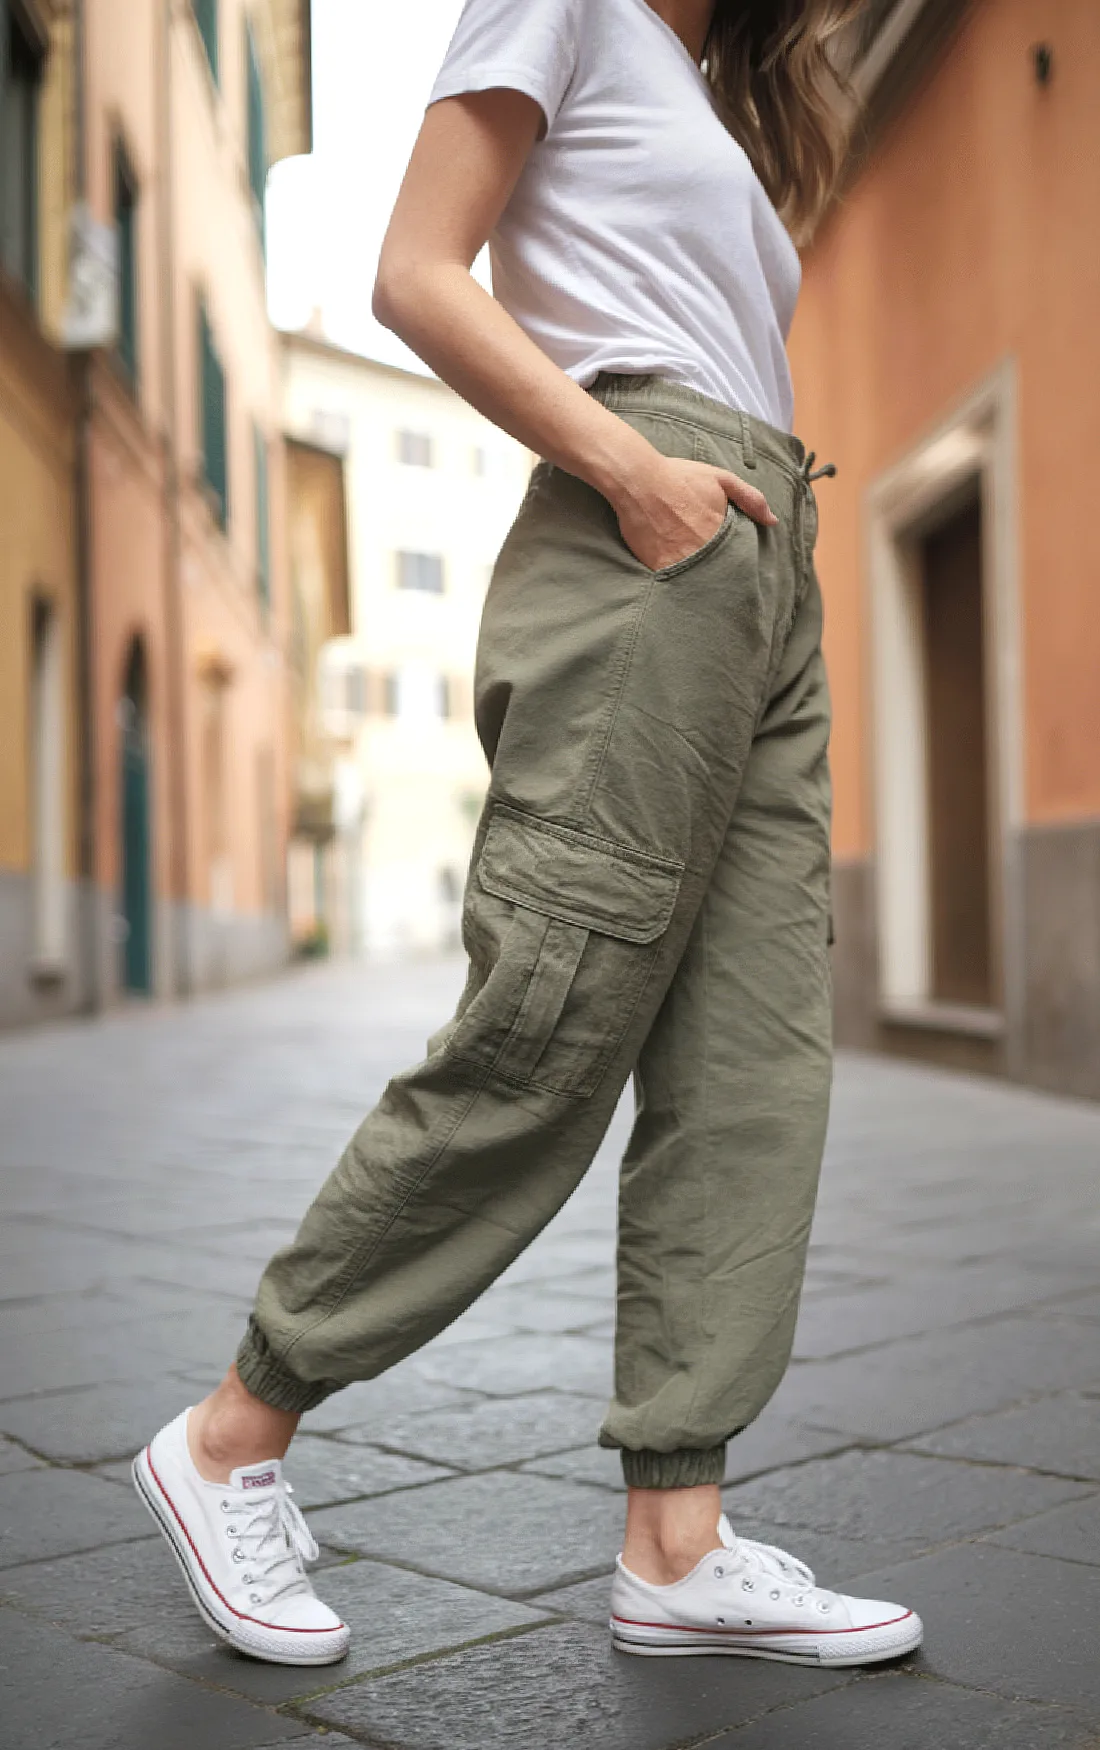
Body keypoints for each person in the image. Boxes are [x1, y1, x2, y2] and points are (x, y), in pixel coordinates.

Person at [134, 0, 922, 1669]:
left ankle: (676, 1537)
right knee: (548, 1022)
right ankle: (231, 1432)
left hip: (762, 553)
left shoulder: (701, 86)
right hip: (655, 535)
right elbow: (416, 274)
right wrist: (633, 470)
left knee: (755, 1060)